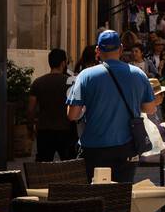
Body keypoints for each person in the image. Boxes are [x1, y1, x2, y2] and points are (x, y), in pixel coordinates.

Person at [66, 29, 159, 183]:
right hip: (126, 148)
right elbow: (150, 109)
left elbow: (72, 115)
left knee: (93, 193)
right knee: (122, 193)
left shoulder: (85, 76)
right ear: (121, 49)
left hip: (93, 147)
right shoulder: (138, 74)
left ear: (98, 50)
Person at [29, 49, 79, 161]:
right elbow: (77, 108)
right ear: (63, 63)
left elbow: (31, 109)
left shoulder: (38, 82)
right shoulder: (71, 82)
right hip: (66, 130)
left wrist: (31, 126)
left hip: (44, 130)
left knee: (44, 165)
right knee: (69, 165)